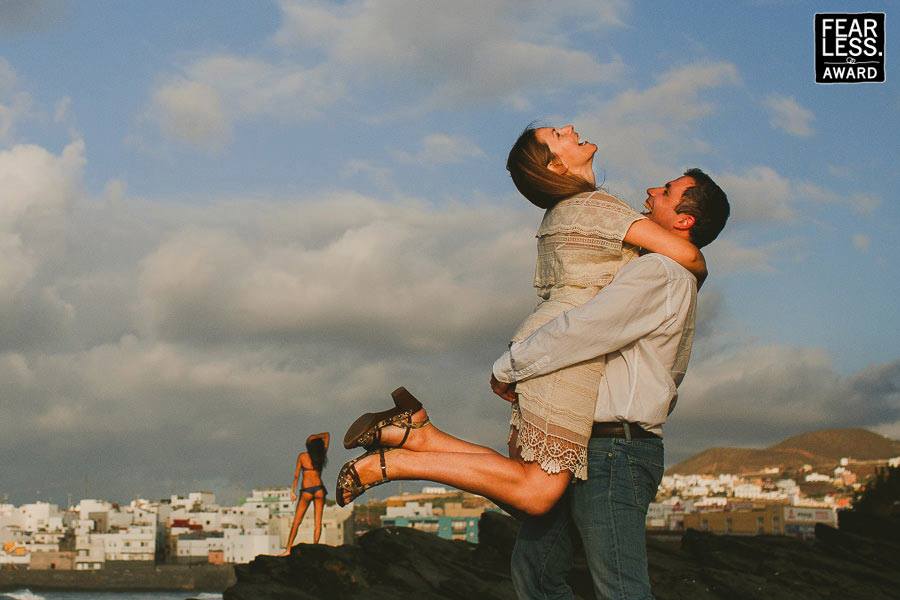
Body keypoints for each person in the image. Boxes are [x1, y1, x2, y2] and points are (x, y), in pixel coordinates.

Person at [335, 124, 706, 515]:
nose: (570, 129)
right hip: (563, 354)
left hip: (549, 343)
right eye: (558, 135)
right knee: (537, 492)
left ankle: (418, 434)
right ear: (556, 165)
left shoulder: (565, 212)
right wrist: (691, 283)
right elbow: (690, 256)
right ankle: (393, 463)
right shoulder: (597, 207)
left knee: (522, 479)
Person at [493, 169, 729, 599]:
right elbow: (670, 374)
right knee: (535, 573)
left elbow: (585, 328)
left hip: (615, 452)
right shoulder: (663, 271)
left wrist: (510, 366)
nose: (650, 190)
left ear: (683, 222)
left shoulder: (660, 272)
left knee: (620, 588)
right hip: (588, 447)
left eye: (666, 191)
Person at [280, 431, 330, 555]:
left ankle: (288, 549)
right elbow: (327, 435)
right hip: (319, 489)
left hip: (306, 491)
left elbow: (296, 476)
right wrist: (316, 437)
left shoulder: (302, 456)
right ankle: (315, 550)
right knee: (317, 522)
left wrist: (293, 491)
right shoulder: (321, 454)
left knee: (296, 521)